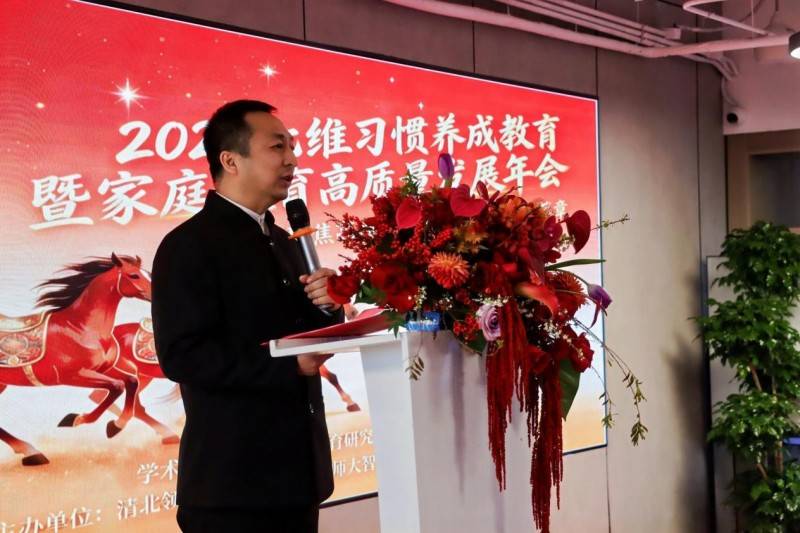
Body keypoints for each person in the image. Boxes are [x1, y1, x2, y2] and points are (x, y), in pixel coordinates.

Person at [151, 100, 343, 533]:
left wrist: (330, 304)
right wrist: (289, 364)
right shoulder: (189, 246)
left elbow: (308, 337)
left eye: (292, 147)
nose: (292, 160)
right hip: (232, 488)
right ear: (230, 160)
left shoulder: (285, 240)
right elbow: (183, 356)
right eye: (277, 147)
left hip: (298, 477)